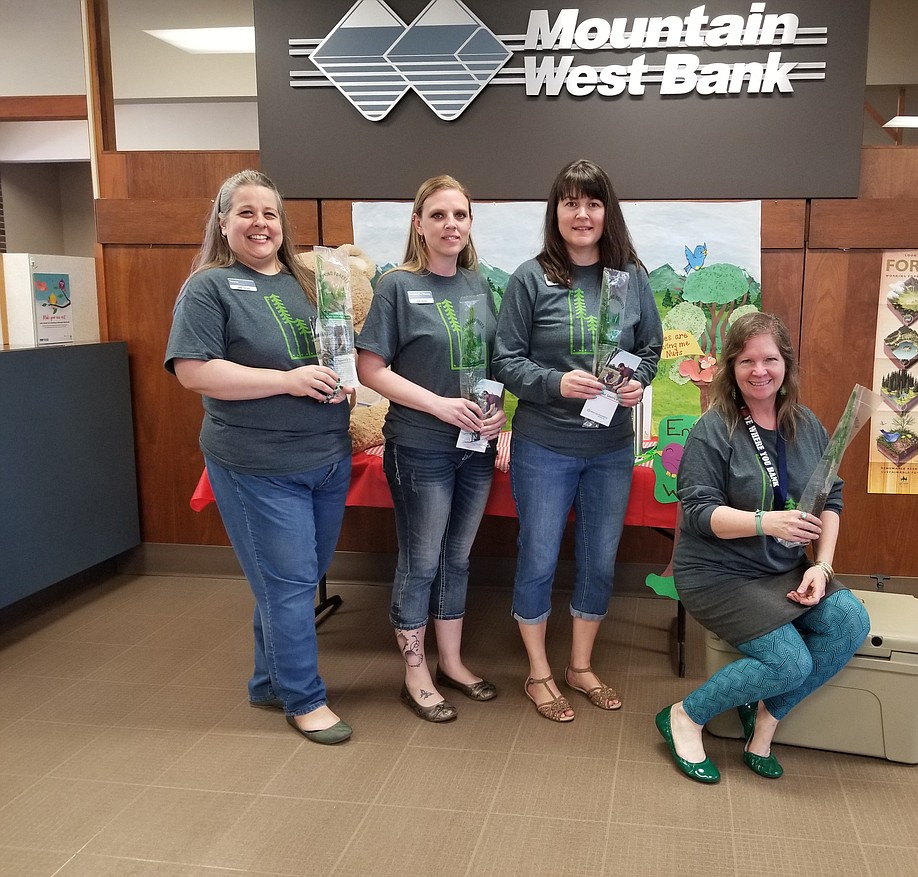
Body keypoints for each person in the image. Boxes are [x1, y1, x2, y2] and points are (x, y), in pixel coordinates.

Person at [165, 169, 353, 744]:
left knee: (296, 578)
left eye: (269, 213)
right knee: (291, 582)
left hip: (326, 455)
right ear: (223, 223)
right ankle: (304, 698)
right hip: (258, 464)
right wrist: (288, 382)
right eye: (245, 212)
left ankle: (268, 680)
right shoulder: (209, 287)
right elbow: (195, 371)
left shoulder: (305, 282)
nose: (260, 224)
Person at [655, 312, 870, 781]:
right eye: (746, 360)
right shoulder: (714, 429)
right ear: (731, 368)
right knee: (790, 661)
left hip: (784, 567)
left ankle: (765, 721)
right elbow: (698, 515)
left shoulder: (806, 424)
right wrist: (765, 522)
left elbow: (831, 496)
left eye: (770, 359)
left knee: (850, 620)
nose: (760, 371)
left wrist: (823, 568)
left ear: (786, 364)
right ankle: (685, 716)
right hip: (717, 574)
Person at [494, 159, 663, 722]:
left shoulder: (630, 277)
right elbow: (505, 361)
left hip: (611, 447)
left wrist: (637, 380)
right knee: (539, 557)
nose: (582, 213)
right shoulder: (530, 278)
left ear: (606, 212)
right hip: (545, 446)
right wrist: (554, 383)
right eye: (570, 203)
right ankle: (539, 673)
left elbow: (651, 350)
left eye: (593, 203)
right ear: (556, 212)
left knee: (600, 560)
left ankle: (580, 667)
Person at [356, 175, 505, 723]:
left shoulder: (479, 285)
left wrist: (500, 420)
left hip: (475, 447)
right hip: (420, 446)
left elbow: (493, 366)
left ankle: (453, 662)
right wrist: (438, 406)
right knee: (421, 561)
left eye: (461, 215)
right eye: (439, 215)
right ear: (418, 223)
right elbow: (370, 368)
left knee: (458, 557)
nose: (451, 226)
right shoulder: (396, 286)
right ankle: (414, 670)